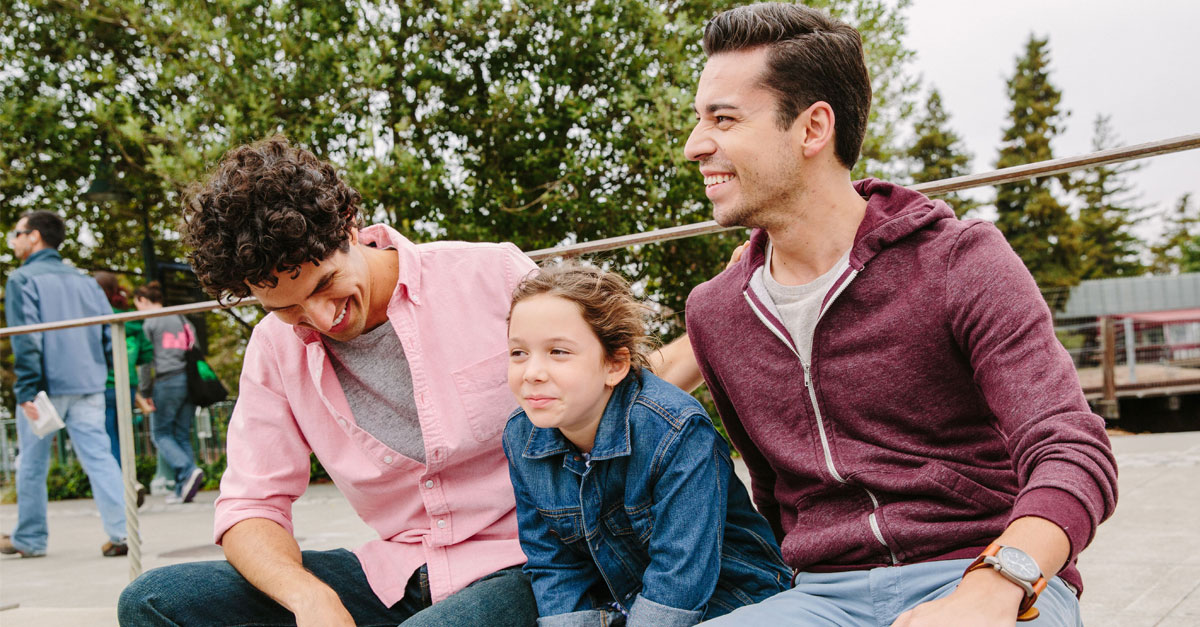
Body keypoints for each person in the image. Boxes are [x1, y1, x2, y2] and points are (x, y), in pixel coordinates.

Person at [118, 136, 700, 626]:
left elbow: (625, 388)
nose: (320, 321)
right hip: (397, 570)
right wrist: (309, 597)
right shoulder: (274, 349)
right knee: (153, 602)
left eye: (324, 285)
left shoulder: (489, 274)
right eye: (288, 309)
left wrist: (713, 321)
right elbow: (251, 504)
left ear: (349, 226)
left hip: (533, 558)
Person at [682, 5, 1117, 626]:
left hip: (988, 572)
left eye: (722, 119)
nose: (695, 145)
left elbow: (1072, 447)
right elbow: (773, 497)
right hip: (820, 598)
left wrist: (998, 584)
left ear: (813, 129)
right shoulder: (717, 313)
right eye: (699, 120)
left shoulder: (959, 260)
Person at [503, 261, 789, 626]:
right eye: (518, 353)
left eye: (559, 352)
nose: (532, 373)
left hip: (731, 596)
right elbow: (553, 562)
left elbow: (679, 578)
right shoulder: (520, 435)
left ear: (615, 365)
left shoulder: (676, 430)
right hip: (624, 599)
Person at [2, 211, 129, 558]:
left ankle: (30, 538)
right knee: (100, 458)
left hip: (44, 387)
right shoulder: (86, 281)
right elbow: (107, 332)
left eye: (17, 233)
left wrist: (26, 390)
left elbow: (27, 339)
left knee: (31, 462)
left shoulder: (22, 280)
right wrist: (96, 370)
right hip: (87, 381)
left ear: (34, 237)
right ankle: (122, 532)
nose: (13, 241)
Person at [133, 281, 206, 504]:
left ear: (143, 300)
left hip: (167, 379)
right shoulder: (181, 319)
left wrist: (145, 390)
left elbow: (145, 362)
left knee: (160, 433)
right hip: (190, 380)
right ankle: (183, 487)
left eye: (137, 305)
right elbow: (197, 348)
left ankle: (187, 469)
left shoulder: (150, 323)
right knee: (181, 434)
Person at [93, 271, 155, 486]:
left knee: (107, 437)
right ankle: (129, 477)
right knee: (124, 434)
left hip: (103, 384)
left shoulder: (97, 318)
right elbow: (147, 353)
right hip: (127, 384)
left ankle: (122, 482)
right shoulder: (131, 320)